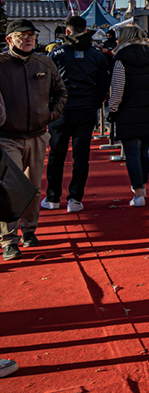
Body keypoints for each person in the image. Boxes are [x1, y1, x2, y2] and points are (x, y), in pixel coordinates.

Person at [0, 19, 67, 260]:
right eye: (22, 35)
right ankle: (9, 240)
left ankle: (29, 230)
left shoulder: (45, 63)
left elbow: (61, 91)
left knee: (34, 188)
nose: (29, 38)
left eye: (32, 35)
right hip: (8, 137)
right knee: (10, 189)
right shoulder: (1, 64)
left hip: (38, 135)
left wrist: (52, 114)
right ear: (10, 39)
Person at [44, 16, 110, 213]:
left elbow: (47, 83)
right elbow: (103, 85)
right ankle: (75, 198)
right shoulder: (96, 56)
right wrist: (95, 103)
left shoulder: (56, 54)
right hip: (87, 109)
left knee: (56, 154)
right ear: (85, 30)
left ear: (67, 31)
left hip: (61, 110)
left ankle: (53, 197)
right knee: (81, 156)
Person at [108, 25, 149, 208]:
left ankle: (138, 194)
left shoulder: (120, 58)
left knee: (131, 153)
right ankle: (143, 188)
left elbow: (118, 87)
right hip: (148, 108)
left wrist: (112, 109)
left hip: (128, 110)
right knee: (144, 151)